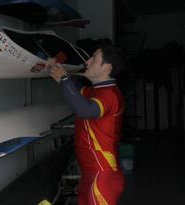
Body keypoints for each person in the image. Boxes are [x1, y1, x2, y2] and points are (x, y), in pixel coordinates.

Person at [47, 46, 125, 205]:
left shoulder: (110, 95)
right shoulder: (95, 91)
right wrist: (57, 69)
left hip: (102, 175)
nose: (87, 61)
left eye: (94, 58)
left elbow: (84, 109)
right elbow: (74, 91)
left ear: (107, 67)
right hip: (90, 173)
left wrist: (64, 80)